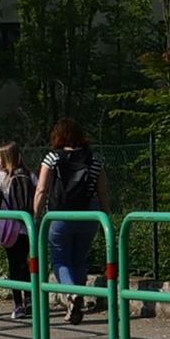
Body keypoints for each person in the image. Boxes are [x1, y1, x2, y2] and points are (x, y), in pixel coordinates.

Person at [33, 117, 110, 325]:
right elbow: (102, 192)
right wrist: (107, 220)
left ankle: (71, 294)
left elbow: (41, 189)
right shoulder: (95, 159)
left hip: (59, 215)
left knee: (60, 260)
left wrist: (35, 215)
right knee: (79, 259)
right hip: (89, 215)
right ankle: (76, 301)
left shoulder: (52, 158)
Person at [0, 142, 36, 320]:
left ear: (5, 158)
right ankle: (30, 300)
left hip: (8, 226)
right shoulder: (30, 175)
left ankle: (18, 305)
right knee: (26, 263)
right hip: (27, 224)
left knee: (14, 265)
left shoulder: (0, 177)